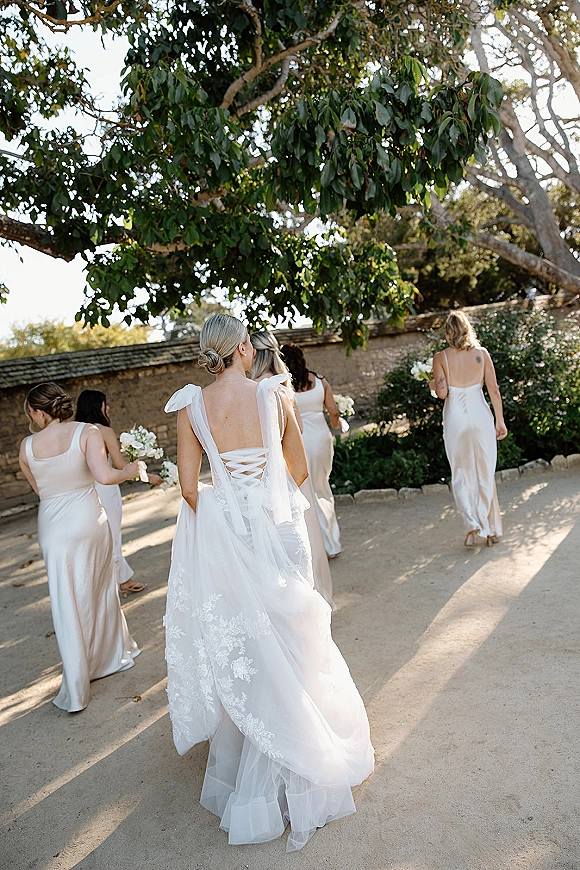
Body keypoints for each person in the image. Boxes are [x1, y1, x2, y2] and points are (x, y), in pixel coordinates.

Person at [164, 314, 373, 851]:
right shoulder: (272, 394)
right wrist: (265, 503)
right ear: (241, 348)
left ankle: (256, 773)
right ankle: (306, 763)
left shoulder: (189, 406)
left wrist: (231, 507)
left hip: (229, 534)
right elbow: (298, 470)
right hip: (278, 531)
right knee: (295, 634)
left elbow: (189, 490)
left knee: (250, 640)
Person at [18, 383, 141, 713]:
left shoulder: (26, 447)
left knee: (65, 599)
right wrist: (128, 471)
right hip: (88, 520)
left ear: (38, 412)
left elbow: (42, 492)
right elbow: (104, 476)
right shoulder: (88, 432)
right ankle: (110, 657)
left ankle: (76, 680)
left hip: (53, 527)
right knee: (99, 590)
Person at [249, 330, 336, 611]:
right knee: (308, 533)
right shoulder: (284, 385)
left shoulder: (251, 389)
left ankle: (294, 606)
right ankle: (321, 596)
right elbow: (295, 433)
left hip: (266, 475)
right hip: (292, 471)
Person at [431, 311, 507, 547]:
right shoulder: (482, 355)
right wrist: (500, 420)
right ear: (467, 330)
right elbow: (493, 390)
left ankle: (473, 524)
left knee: (462, 473)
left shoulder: (440, 358)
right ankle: (491, 529)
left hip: (456, 419)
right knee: (485, 472)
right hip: (481, 415)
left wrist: (433, 385)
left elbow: (442, 393)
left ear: (447, 334)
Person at [75, 389, 162, 595]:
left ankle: (121, 578)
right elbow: (121, 465)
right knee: (112, 535)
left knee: (94, 538)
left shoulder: (76, 430)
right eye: (105, 404)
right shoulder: (103, 431)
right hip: (106, 489)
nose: (109, 408)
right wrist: (147, 476)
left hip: (85, 491)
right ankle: (112, 586)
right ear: (97, 407)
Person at [280, 343, 342, 557]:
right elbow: (333, 410)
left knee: (305, 492)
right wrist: (338, 424)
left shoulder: (282, 387)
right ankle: (332, 543)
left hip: (298, 441)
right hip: (321, 440)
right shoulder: (320, 380)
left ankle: (317, 545)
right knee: (322, 487)